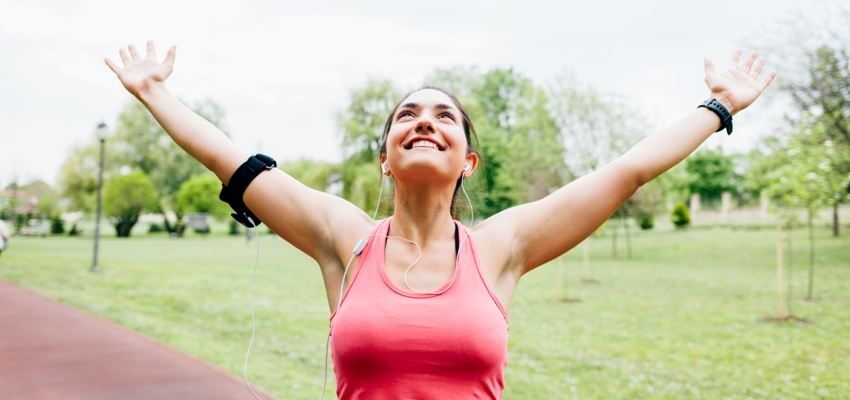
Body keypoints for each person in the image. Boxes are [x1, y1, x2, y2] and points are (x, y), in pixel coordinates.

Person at [105, 41, 775, 399]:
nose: (424, 119)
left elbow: (625, 171)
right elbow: (234, 163)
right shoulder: (345, 240)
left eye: (443, 115)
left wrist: (716, 109)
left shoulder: (502, 248)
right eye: (407, 115)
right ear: (385, 159)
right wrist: (154, 91)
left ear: (469, 161)